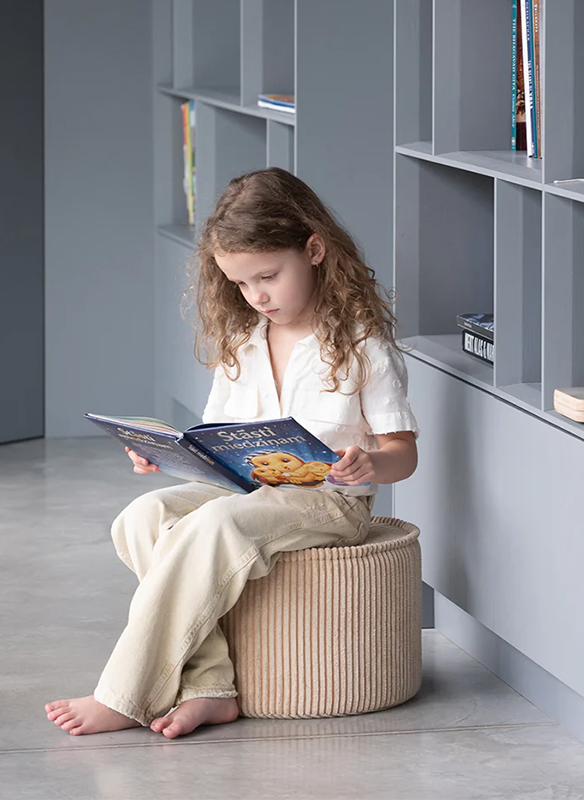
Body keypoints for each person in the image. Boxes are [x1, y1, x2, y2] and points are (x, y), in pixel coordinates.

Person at [44, 168, 420, 739]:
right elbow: (218, 442)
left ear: (314, 250)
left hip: (330, 503)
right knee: (143, 516)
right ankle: (209, 686)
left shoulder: (362, 345)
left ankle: (124, 692)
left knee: (215, 524)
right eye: (241, 284)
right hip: (244, 491)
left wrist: (370, 463)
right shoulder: (242, 344)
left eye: (268, 276)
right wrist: (166, 456)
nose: (256, 296)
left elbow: (403, 454)